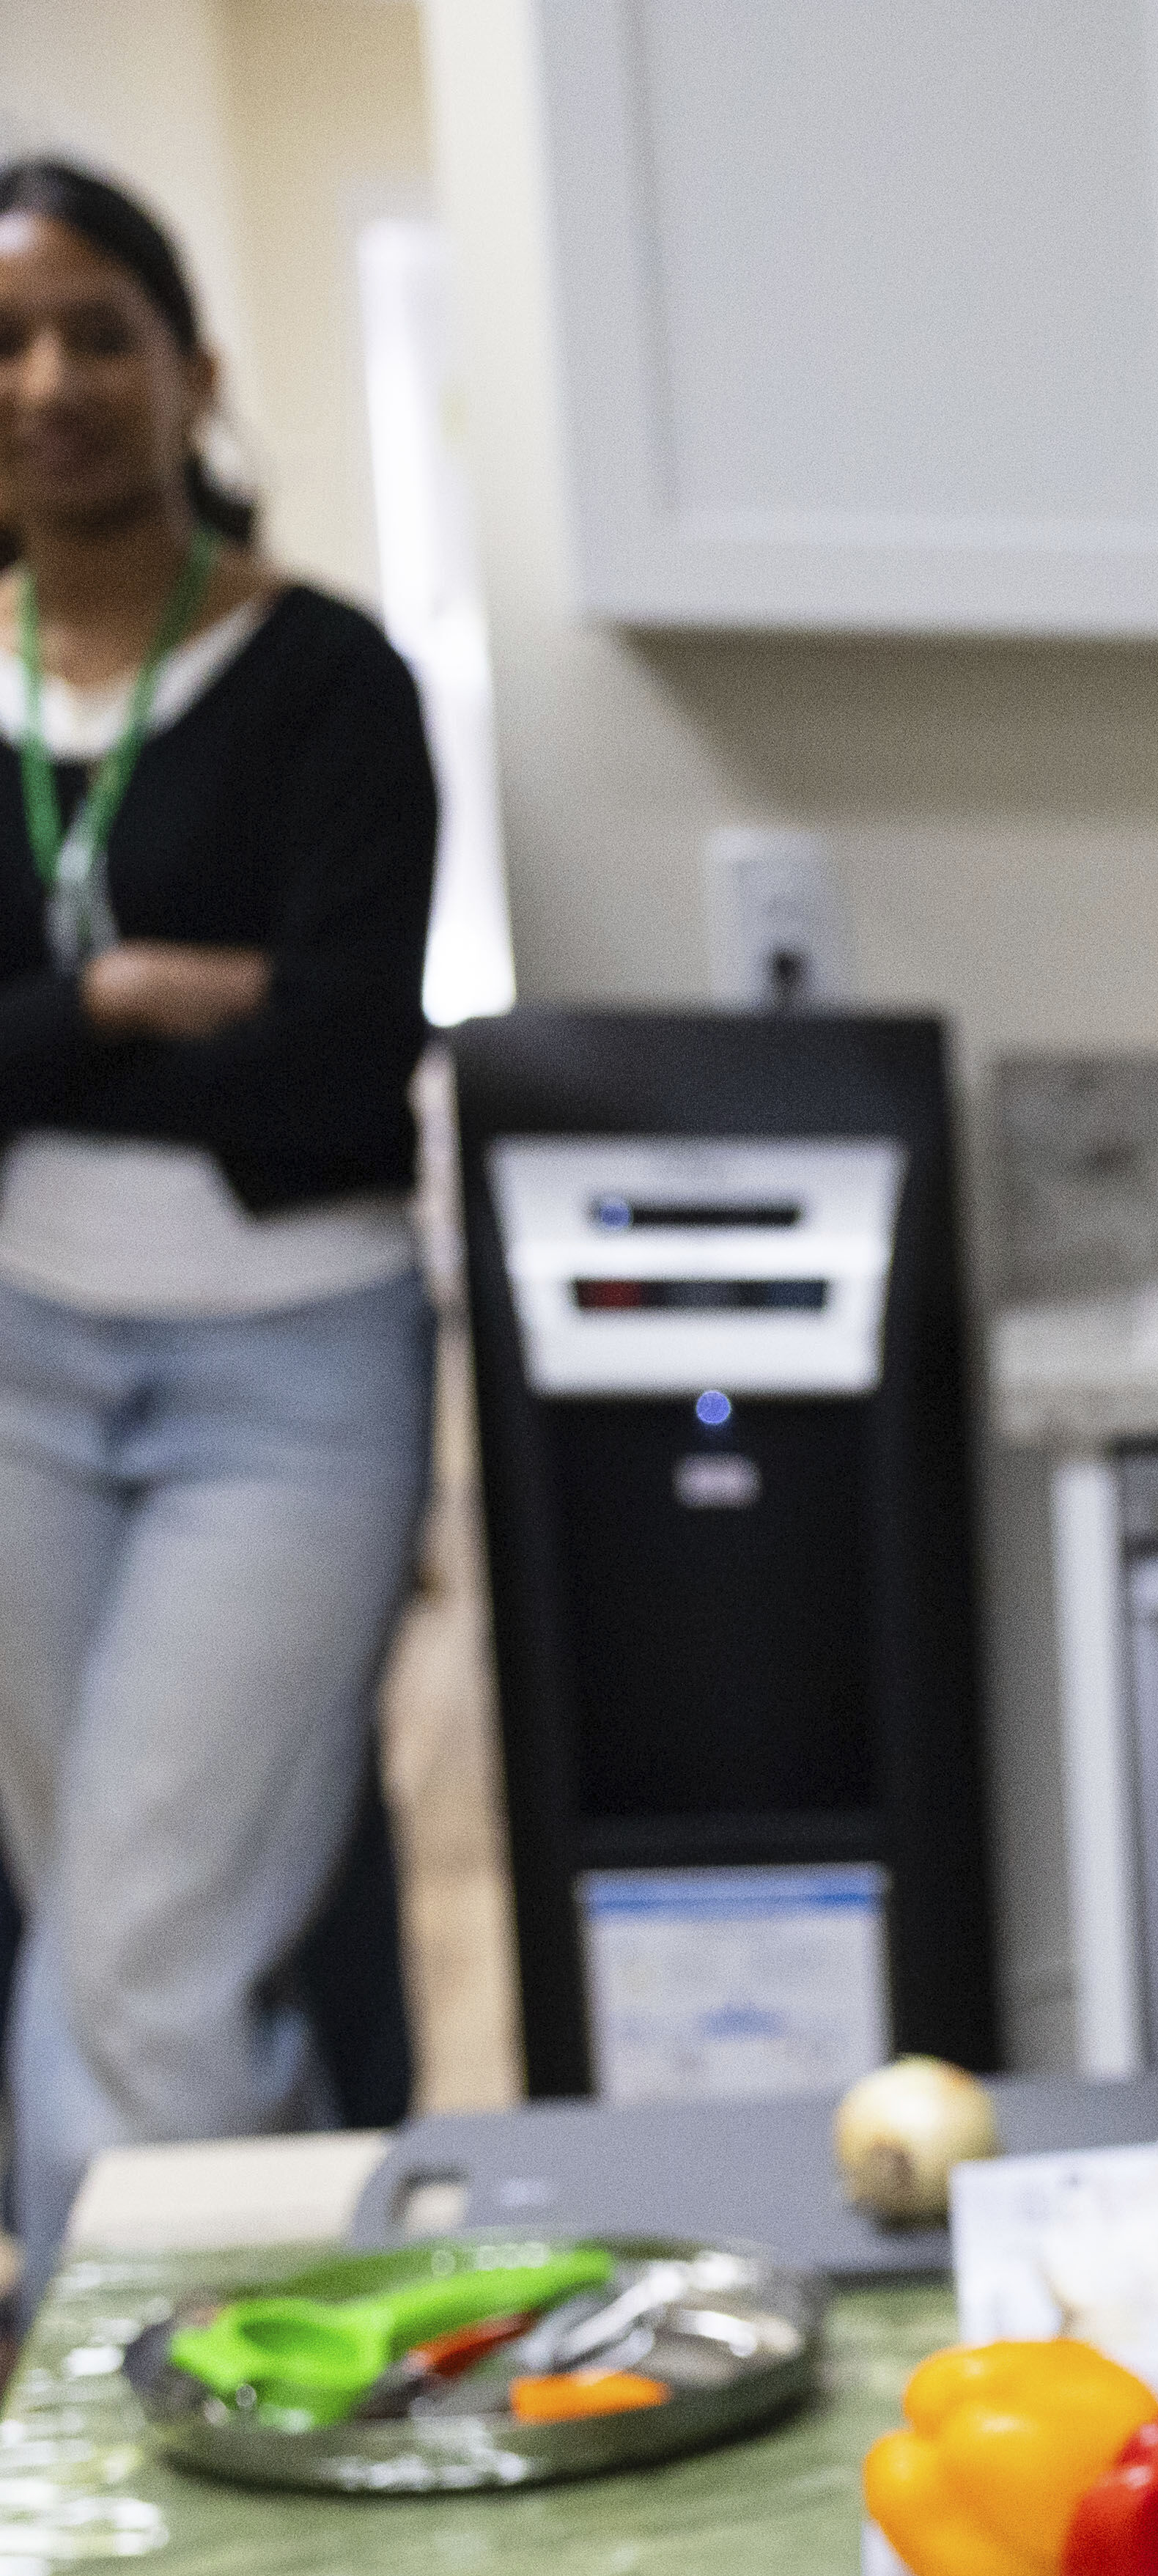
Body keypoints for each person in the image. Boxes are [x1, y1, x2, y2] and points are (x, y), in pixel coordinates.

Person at [0, 158, 436, 2278]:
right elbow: (251, 1036)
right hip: (19, 1374)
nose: (51, 378)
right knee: (100, 1915)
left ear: (195, 372)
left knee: (148, 1951)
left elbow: (351, 1066)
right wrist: (127, 992)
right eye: (8, 341)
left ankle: (154, 2414)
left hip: (293, 1373)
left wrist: (44, 1046)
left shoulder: (332, 682)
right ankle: (257, 2346)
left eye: (99, 329)